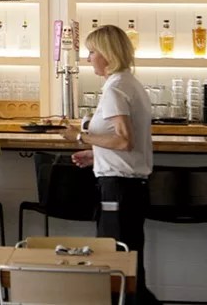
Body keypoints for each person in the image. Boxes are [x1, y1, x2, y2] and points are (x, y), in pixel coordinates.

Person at [63, 24, 157, 305]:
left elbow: (124, 140)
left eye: (91, 52)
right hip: (129, 185)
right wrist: (96, 154)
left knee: (115, 259)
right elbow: (129, 142)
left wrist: (80, 137)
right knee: (128, 260)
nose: (88, 57)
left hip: (118, 188)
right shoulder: (128, 83)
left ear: (106, 54)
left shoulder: (116, 88)